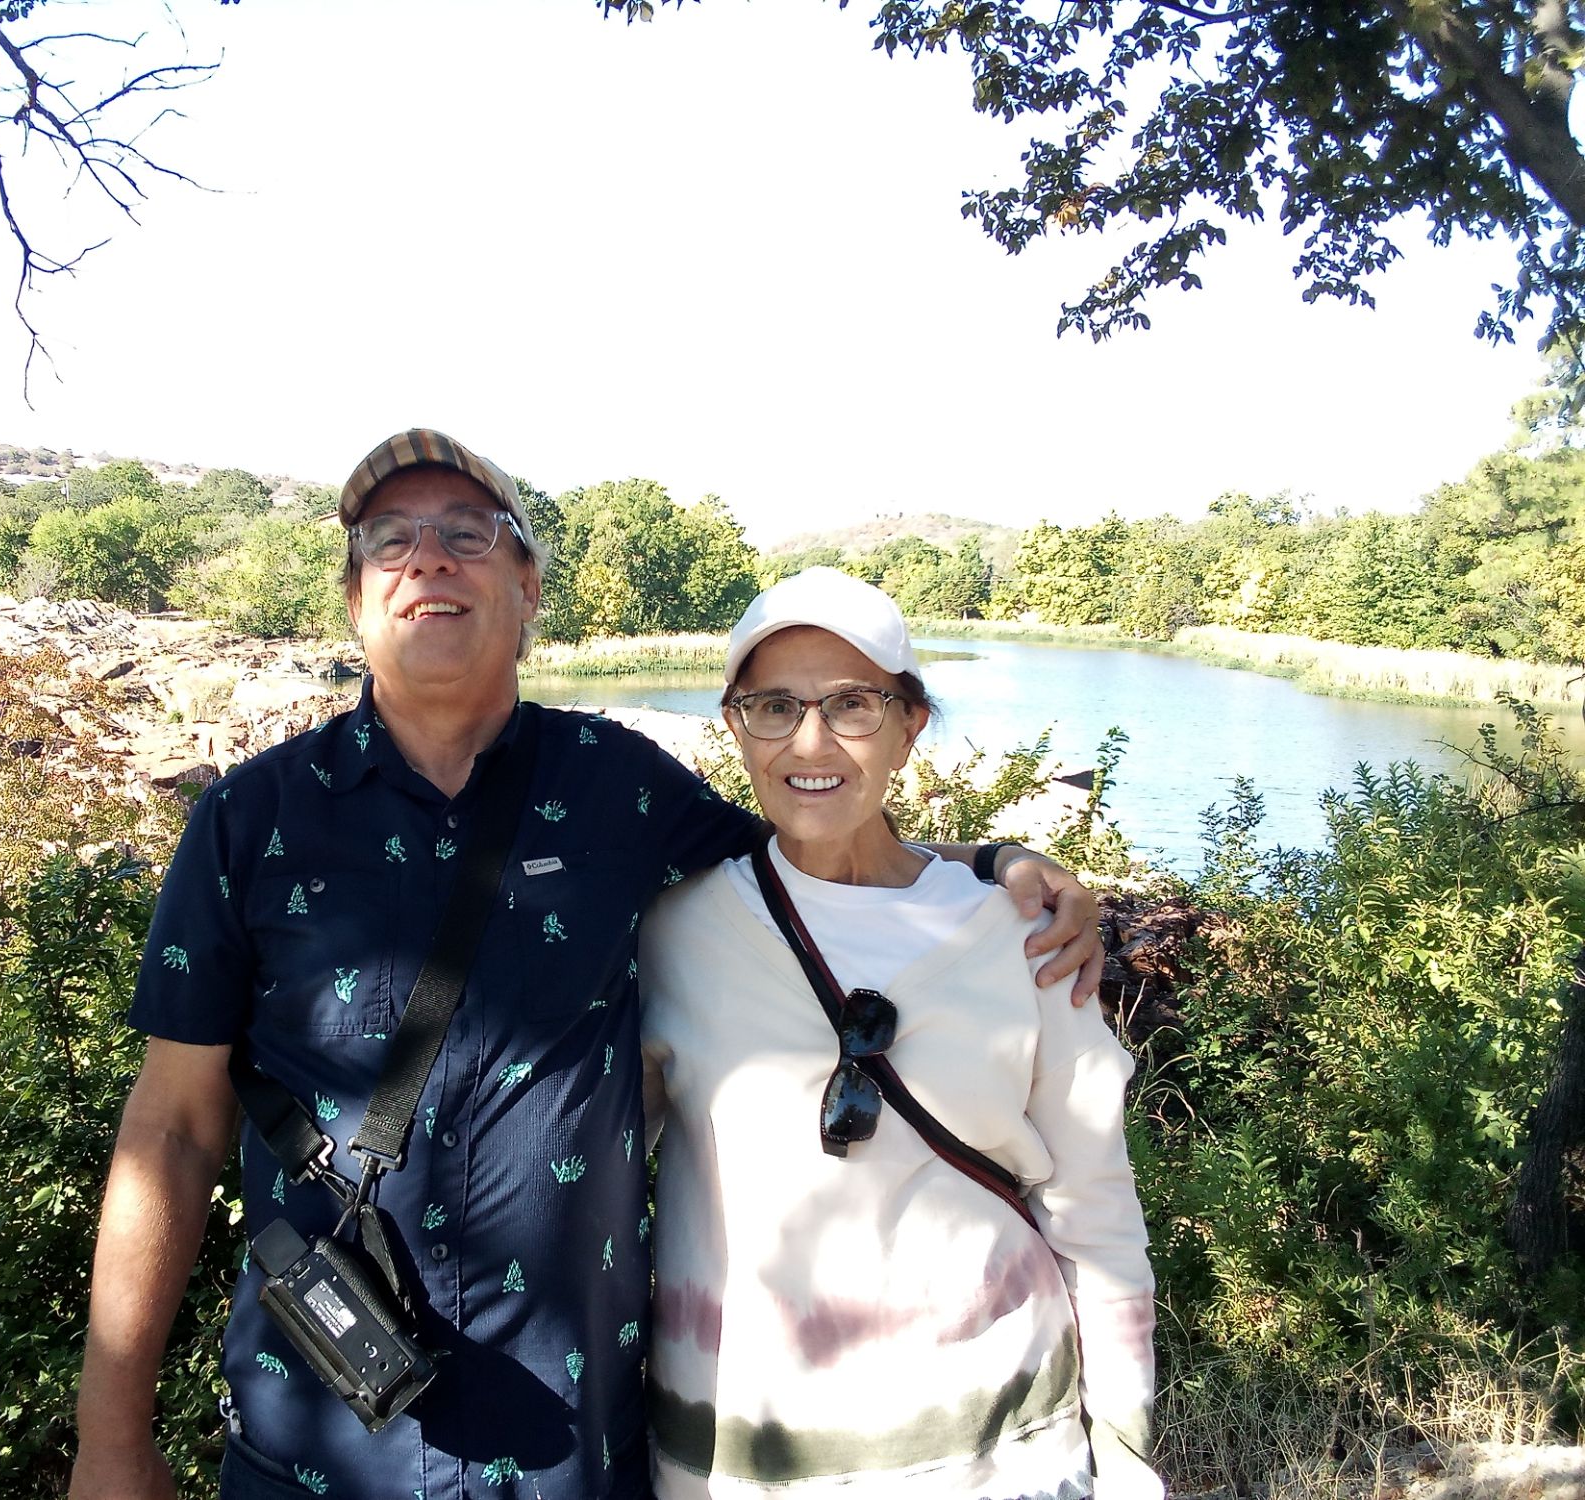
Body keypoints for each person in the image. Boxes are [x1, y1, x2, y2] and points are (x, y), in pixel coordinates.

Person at [68, 432, 1106, 1500]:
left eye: (468, 535)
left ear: (527, 588)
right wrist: (108, 1444)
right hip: (319, 1437)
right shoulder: (250, 819)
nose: (428, 558)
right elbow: (172, 1128)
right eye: (391, 540)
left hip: (574, 1451)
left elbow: (817, 859)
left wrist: (990, 862)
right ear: (354, 596)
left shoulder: (616, 786)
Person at [640, 566, 1159, 1500]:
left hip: (1001, 1455)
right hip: (746, 1462)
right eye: (772, 706)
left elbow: (1098, 1217)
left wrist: (1123, 1450)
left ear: (910, 726)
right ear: (733, 724)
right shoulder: (675, 933)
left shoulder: (1023, 934)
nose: (810, 741)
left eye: (852, 705)